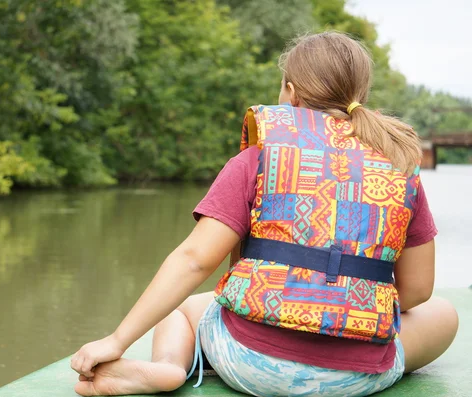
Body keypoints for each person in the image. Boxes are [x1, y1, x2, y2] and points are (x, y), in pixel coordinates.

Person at [70, 31, 459, 397]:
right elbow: (417, 291)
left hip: (249, 361)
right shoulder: (397, 166)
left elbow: (193, 260)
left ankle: (170, 365)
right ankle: (344, 356)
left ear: (290, 92)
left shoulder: (259, 157)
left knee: (185, 310)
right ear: (360, 94)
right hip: (357, 376)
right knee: (443, 315)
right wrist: (342, 312)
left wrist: (116, 340)